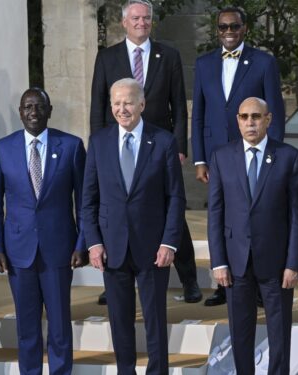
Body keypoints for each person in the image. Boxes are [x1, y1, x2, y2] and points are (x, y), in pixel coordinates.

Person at [89, 0, 201, 305]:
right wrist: (99, 149)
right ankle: (113, 275)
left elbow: (179, 105)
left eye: (147, 18)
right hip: (119, 147)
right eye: (136, 17)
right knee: (115, 211)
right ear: (125, 22)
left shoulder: (169, 56)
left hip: (159, 148)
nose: (142, 22)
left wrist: (179, 147)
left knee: (171, 211)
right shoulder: (107, 57)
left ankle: (189, 278)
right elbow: (98, 106)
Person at [82, 78, 185, 374]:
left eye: (127, 102)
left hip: (153, 248)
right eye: (116, 103)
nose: (121, 109)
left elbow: (175, 197)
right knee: (120, 320)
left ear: (142, 104)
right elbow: (88, 199)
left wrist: (169, 242)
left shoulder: (164, 141)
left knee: (154, 319)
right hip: (112, 248)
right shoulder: (99, 142)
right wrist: (94, 242)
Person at [0, 87, 87, 374]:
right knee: (26, 327)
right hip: (18, 251)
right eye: (27, 107)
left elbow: (84, 201)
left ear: (49, 111)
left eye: (39, 107)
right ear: (20, 112)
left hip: (59, 250)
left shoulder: (71, 146)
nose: (33, 113)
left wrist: (83, 242)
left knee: (59, 326)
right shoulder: (2, 149)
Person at [191, 6, 285, 306]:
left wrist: (276, 154)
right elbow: (199, 114)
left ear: (244, 29)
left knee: (254, 213)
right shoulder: (204, 64)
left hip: (256, 152)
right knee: (222, 215)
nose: (228, 32)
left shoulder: (263, 62)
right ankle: (224, 283)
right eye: (223, 27)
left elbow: (277, 112)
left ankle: (258, 284)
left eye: (234, 27)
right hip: (219, 154)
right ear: (216, 30)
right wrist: (200, 158)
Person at [208, 97, 298, 375]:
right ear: (237, 120)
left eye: (256, 116)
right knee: (240, 332)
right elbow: (215, 213)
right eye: (244, 117)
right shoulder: (221, 157)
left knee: (279, 334)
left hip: (276, 264)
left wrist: (293, 263)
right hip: (235, 261)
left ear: (268, 119)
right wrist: (219, 262)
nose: (250, 122)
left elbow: (297, 215)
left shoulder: (289, 157)